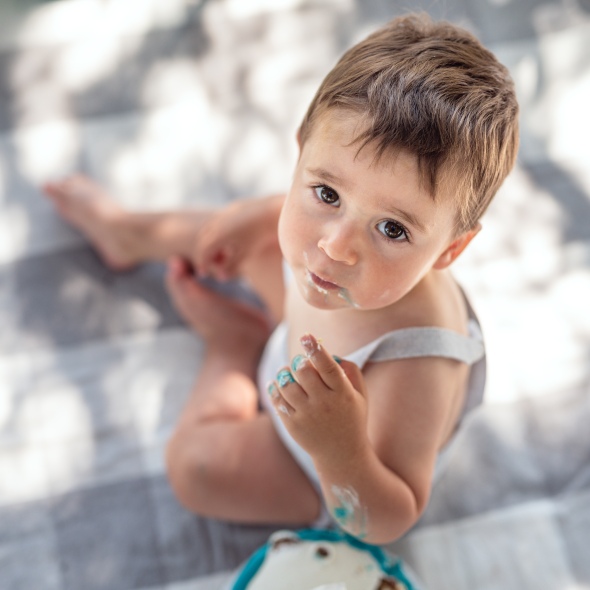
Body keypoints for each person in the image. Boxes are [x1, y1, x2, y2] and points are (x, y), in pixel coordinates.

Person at [42, 13, 519, 544]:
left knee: (196, 468)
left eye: (392, 229)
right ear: (302, 150)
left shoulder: (415, 362)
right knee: (243, 233)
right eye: (328, 194)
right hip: (303, 341)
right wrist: (261, 212)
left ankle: (233, 347)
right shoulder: (338, 249)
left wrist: (338, 448)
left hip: (317, 462)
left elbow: (388, 520)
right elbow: (318, 213)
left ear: (450, 249)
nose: (335, 247)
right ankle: (130, 233)